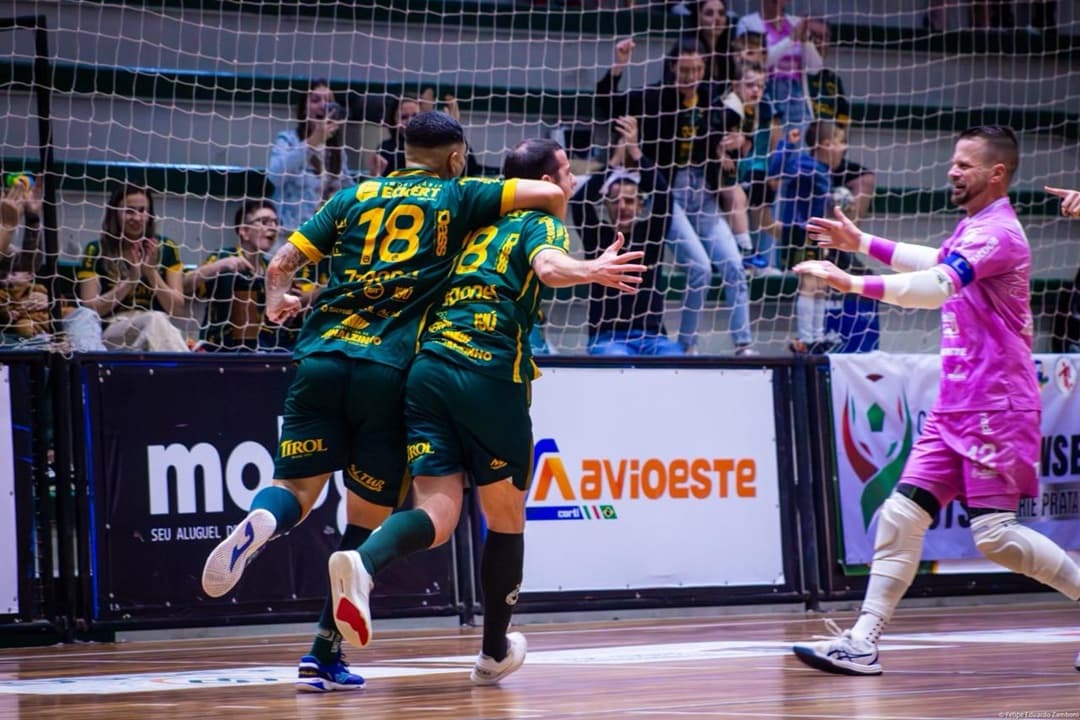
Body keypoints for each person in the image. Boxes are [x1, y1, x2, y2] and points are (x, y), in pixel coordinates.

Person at [200, 111, 568, 692]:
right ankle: (327, 645)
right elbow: (544, 192)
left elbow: (280, 264)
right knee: (366, 521)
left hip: (318, 355)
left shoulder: (353, 195)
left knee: (296, 489)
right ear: (453, 156)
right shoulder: (456, 193)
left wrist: (277, 301)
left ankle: (265, 528)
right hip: (389, 369)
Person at [324, 137, 645, 685]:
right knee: (505, 515)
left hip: (425, 370)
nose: (569, 183)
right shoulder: (540, 219)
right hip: (488, 371)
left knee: (439, 511)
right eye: (565, 172)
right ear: (543, 181)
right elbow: (547, 268)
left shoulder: (467, 222)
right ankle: (494, 650)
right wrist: (590, 269)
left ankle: (365, 564)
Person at [790, 125, 1080, 675]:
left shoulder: (1000, 233)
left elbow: (936, 287)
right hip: (958, 404)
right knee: (900, 515)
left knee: (994, 537)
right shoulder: (975, 227)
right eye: (952, 161)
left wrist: (852, 283)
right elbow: (935, 259)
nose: (952, 171)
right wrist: (863, 245)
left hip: (997, 403)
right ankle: (862, 641)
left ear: (996, 174)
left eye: (964, 164)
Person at [596, 37, 756, 355]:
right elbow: (607, 104)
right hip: (667, 194)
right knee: (699, 268)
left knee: (735, 266)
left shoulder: (713, 100)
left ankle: (743, 344)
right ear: (672, 68)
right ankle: (688, 346)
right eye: (684, 69)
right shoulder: (654, 98)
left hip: (704, 192)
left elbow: (741, 130)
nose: (691, 75)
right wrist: (620, 64)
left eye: (697, 68)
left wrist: (739, 141)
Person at [571, 116, 683, 355]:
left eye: (630, 201)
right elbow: (580, 202)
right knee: (617, 362)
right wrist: (613, 163)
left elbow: (664, 195)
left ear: (641, 206)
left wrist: (634, 151)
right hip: (608, 338)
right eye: (615, 200)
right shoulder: (598, 237)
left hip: (652, 338)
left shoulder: (651, 235)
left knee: (676, 360)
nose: (623, 206)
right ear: (606, 205)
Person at [186, 199, 326, 352]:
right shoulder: (224, 257)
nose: (272, 227)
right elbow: (184, 286)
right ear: (244, 231)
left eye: (275, 222)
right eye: (264, 221)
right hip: (223, 347)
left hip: (268, 347)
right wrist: (219, 266)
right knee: (242, 280)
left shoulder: (274, 268)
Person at [76, 184, 189, 351]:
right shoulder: (96, 250)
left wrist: (151, 273)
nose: (136, 218)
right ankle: (184, 371)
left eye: (142, 210)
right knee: (154, 320)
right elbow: (90, 309)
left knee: (155, 321)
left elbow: (177, 309)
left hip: (158, 327)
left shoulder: (167, 247)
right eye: (129, 211)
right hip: (113, 330)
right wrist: (130, 281)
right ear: (115, 213)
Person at [772, 119, 849, 353]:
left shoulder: (822, 170)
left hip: (815, 233)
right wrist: (788, 145)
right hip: (799, 231)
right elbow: (776, 170)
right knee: (809, 282)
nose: (844, 148)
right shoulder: (807, 165)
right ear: (826, 144)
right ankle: (806, 338)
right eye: (840, 142)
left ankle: (817, 335)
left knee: (821, 285)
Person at [804, 24, 876, 223]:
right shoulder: (796, 76)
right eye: (815, 36)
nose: (820, 42)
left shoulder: (832, 80)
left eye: (825, 37)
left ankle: (850, 241)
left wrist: (838, 145)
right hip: (806, 150)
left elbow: (843, 118)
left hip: (829, 148)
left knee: (865, 178)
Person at [266, 78, 352, 237]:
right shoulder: (288, 140)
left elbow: (349, 192)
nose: (323, 105)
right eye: (315, 100)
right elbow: (275, 176)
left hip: (322, 235)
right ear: (304, 109)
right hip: (288, 234)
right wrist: (313, 142)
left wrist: (374, 177)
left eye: (328, 101)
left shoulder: (336, 150)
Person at [735, 0, 822, 138]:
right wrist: (791, 40)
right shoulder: (748, 23)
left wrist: (806, 41)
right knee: (767, 146)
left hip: (795, 96)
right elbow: (757, 62)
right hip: (764, 91)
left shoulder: (796, 23)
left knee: (794, 149)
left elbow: (815, 68)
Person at [373, 90, 496, 178]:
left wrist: (453, 133)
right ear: (393, 120)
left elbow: (470, 168)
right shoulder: (386, 148)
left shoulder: (437, 143)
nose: (410, 121)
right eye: (404, 117)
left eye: (415, 116)